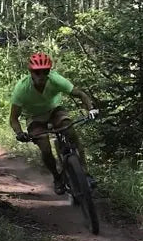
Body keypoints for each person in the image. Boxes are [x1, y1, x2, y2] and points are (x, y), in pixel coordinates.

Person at [9, 52, 98, 194]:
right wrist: (19, 133)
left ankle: (85, 173)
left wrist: (91, 109)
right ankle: (57, 178)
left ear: (49, 71)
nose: (41, 76)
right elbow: (14, 118)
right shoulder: (22, 89)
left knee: (70, 131)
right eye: (37, 72)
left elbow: (80, 94)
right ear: (31, 72)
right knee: (44, 147)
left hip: (54, 110)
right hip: (34, 117)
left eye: (45, 72)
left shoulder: (55, 79)